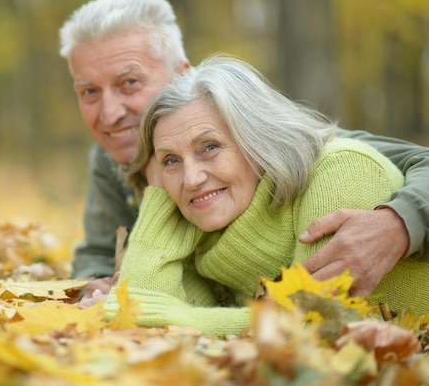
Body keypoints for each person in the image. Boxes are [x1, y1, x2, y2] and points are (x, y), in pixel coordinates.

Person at [58, 0, 429, 301]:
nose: (108, 114)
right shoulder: (110, 157)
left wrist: (399, 224)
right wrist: (96, 282)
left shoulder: (279, 144)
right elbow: (99, 247)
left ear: (182, 76)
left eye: (129, 83)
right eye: (89, 91)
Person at [103, 55, 429, 336]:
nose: (191, 178)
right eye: (171, 160)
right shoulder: (205, 228)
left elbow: (317, 325)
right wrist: (161, 197)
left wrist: (182, 318)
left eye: (210, 147)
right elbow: (138, 323)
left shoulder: (341, 170)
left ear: (257, 140)